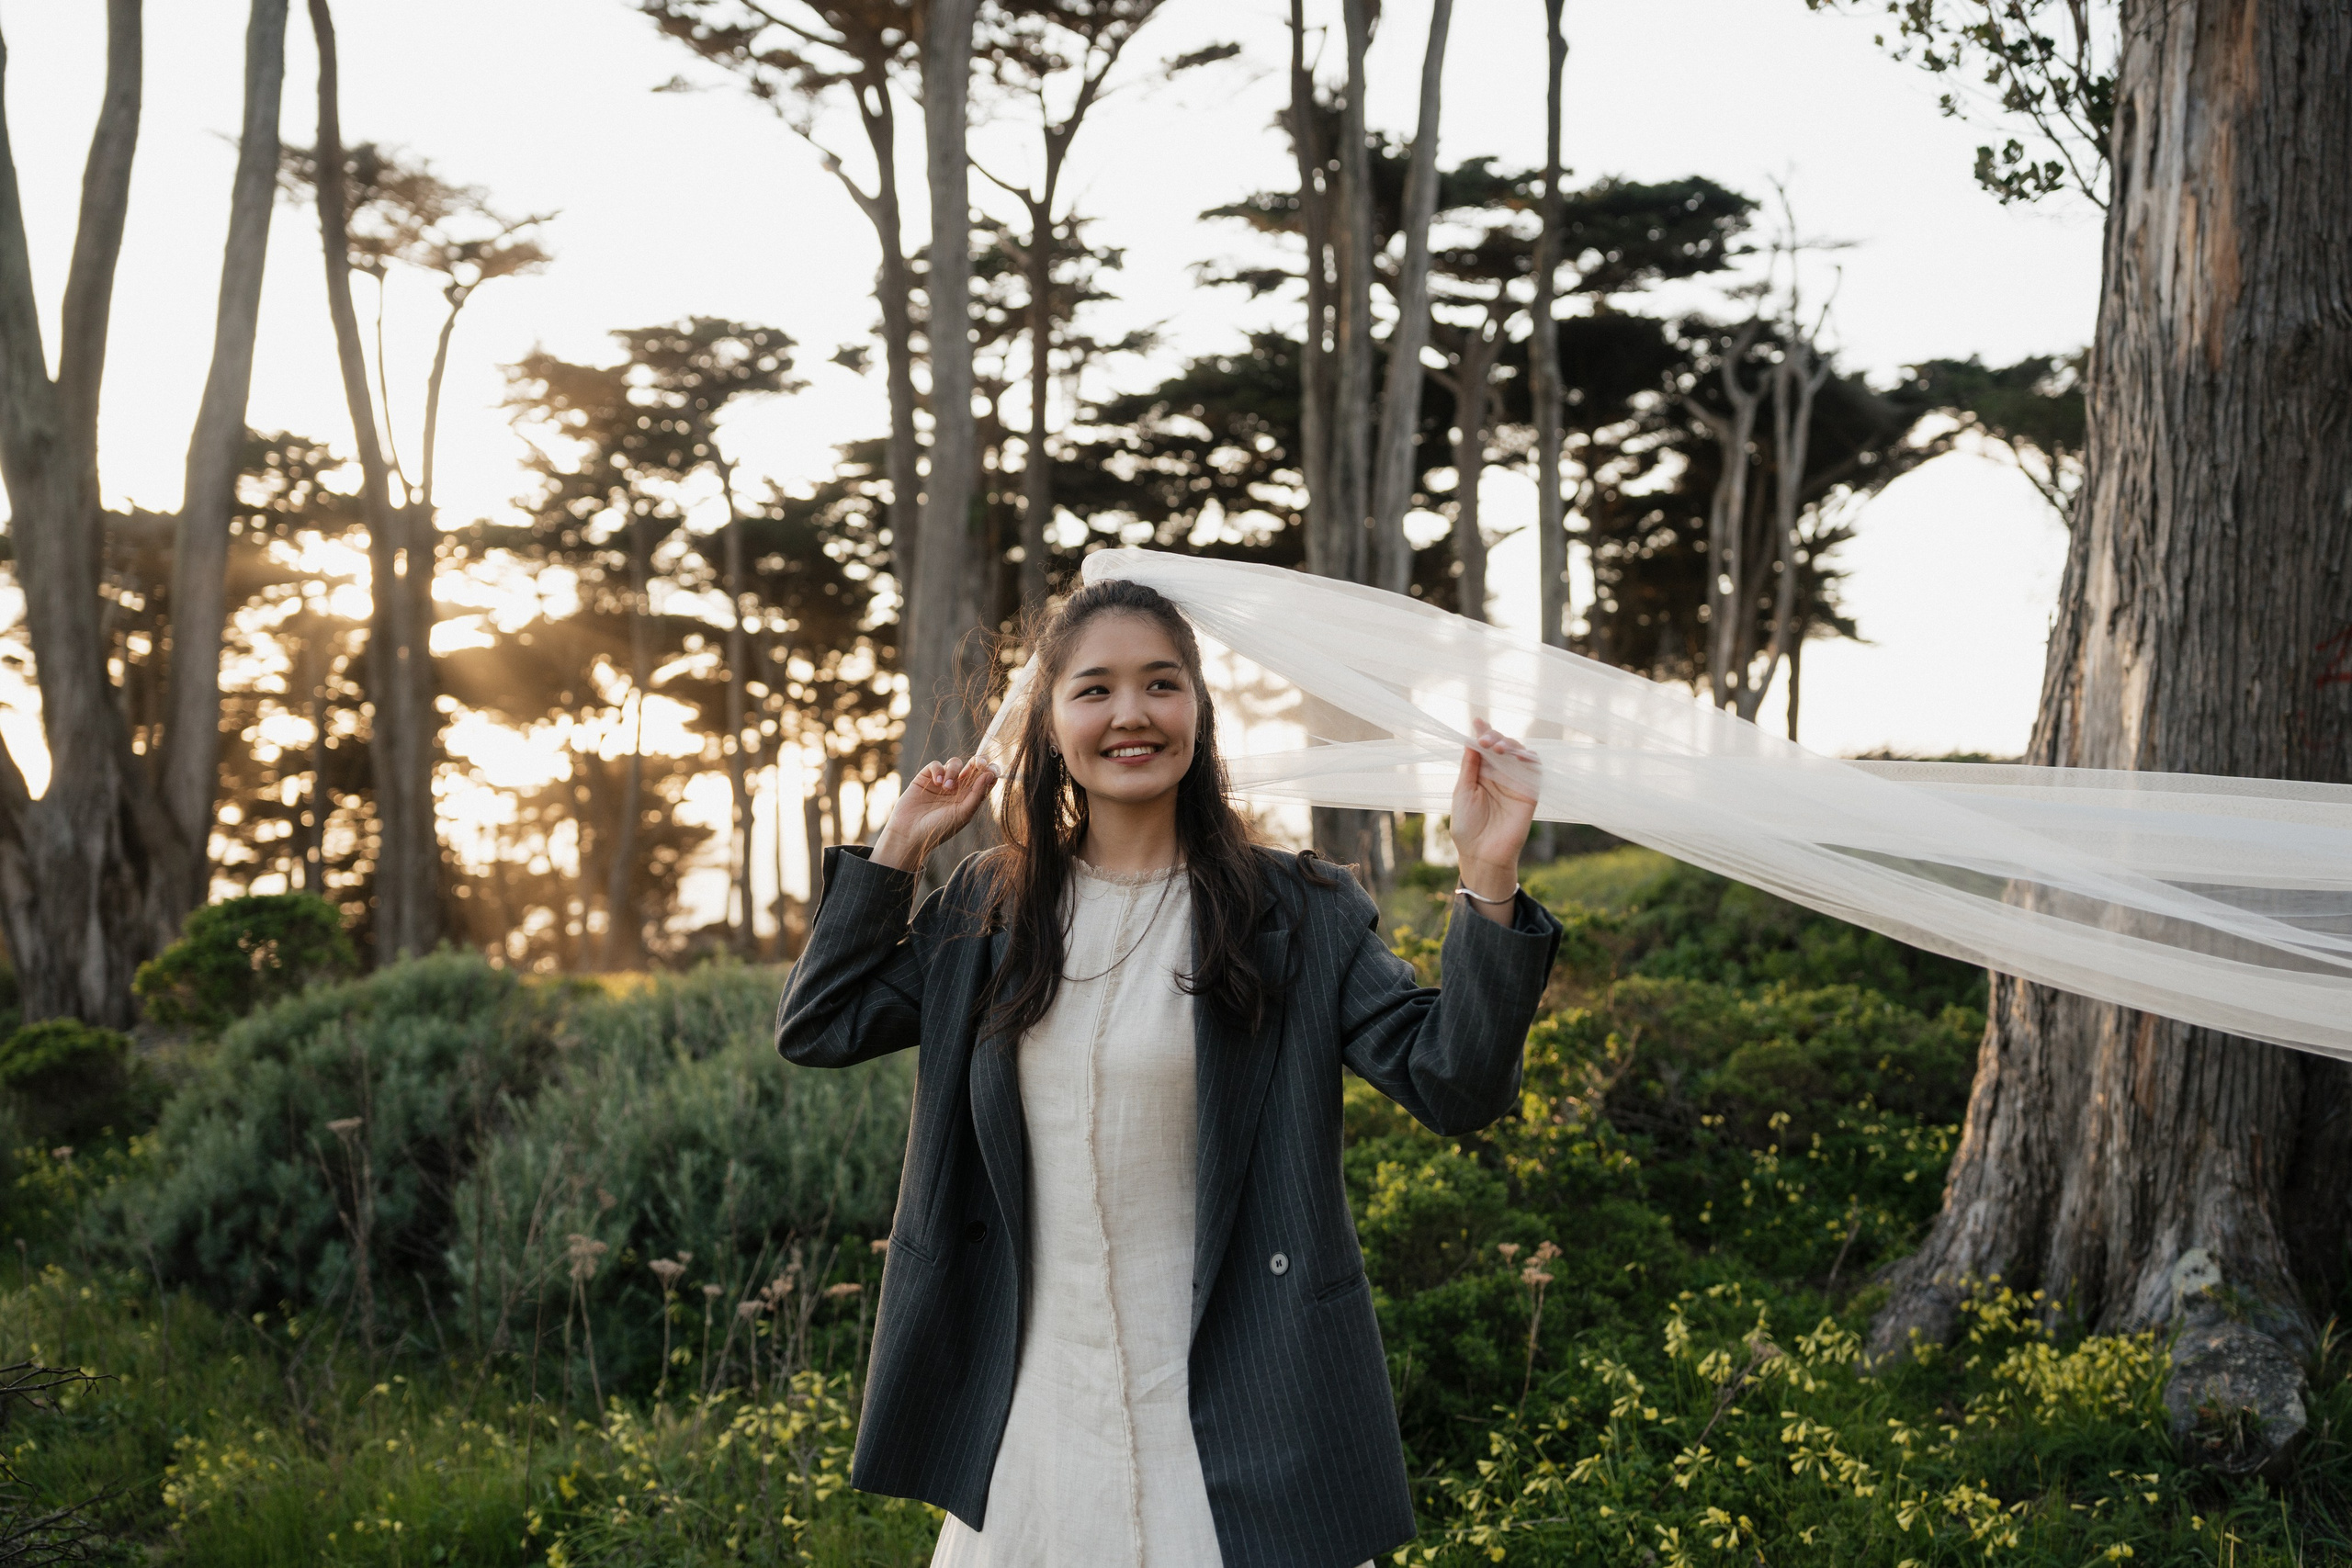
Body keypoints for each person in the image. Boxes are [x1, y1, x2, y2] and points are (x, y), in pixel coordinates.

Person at [775, 578, 1563, 1568]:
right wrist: (900, 846)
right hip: (1036, 1432)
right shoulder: (988, 908)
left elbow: (1455, 1084)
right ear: (1049, 724)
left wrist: (1488, 877)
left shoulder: (1297, 909)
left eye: (1161, 682)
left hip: (1241, 1420)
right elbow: (821, 1023)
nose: (1132, 713)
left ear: (1199, 707)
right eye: (1094, 689)